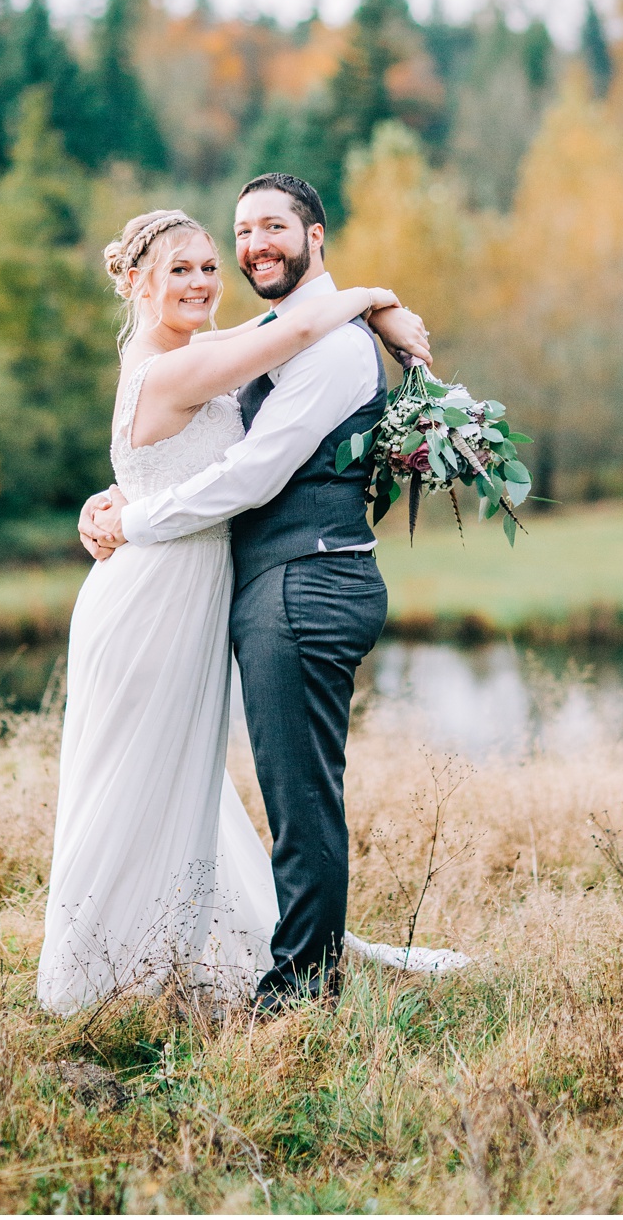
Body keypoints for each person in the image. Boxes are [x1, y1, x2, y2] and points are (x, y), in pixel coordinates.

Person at [36, 203, 419, 1014]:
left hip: (184, 590)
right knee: (133, 775)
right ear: (138, 283)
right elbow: (281, 336)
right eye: (181, 269)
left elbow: (264, 346)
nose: (204, 281)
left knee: (178, 777)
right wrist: (374, 297)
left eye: (210, 266)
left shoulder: (196, 351)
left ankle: (157, 954)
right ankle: (100, 976)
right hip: (149, 602)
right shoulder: (175, 366)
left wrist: (118, 499)